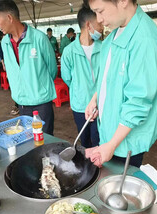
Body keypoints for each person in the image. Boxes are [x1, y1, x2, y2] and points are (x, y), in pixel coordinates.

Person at [83, 0, 157, 168]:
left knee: (118, 186)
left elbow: (138, 101)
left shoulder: (144, 40)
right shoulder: (114, 35)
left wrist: (112, 144)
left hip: (125, 141)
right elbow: (108, 77)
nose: (98, 19)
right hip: (109, 130)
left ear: (122, 1)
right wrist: (96, 98)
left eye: (101, 11)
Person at [0, 0, 57, 135]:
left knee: (44, 141)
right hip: (22, 103)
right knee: (27, 140)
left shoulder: (39, 38)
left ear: (9, 17)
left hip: (42, 102)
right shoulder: (5, 42)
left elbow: (52, 69)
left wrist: (40, 87)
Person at [61, 5, 103, 148]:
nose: (102, 26)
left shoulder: (103, 48)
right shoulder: (69, 52)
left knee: (99, 140)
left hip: (101, 104)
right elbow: (67, 78)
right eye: (99, 23)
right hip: (80, 105)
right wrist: (80, 89)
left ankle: (99, 169)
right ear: (88, 25)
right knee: (84, 140)